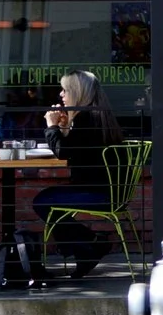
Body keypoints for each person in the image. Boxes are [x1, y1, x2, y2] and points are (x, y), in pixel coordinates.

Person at [35, 69, 122, 277]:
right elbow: (76, 151)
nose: (61, 95)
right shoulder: (98, 116)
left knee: (42, 201)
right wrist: (64, 129)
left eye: (65, 90)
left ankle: (91, 245)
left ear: (77, 92)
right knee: (49, 202)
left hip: (98, 192)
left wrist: (52, 126)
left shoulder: (86, 119)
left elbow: (62, 152)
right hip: (107, 189)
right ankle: (87, 248)